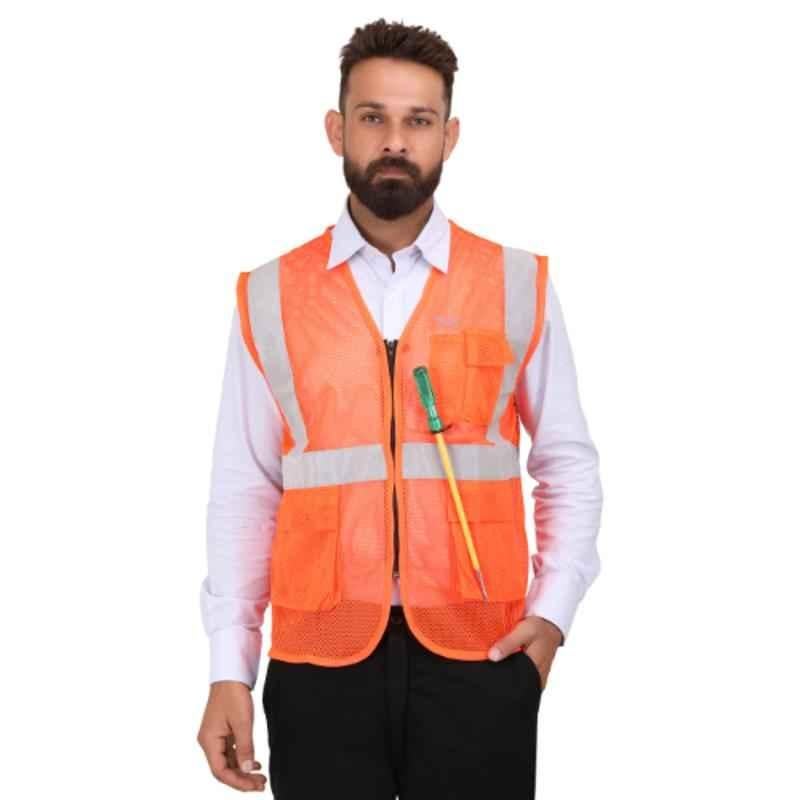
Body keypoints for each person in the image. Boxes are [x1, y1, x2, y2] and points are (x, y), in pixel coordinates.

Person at [196, 17, 602, 798]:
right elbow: (244, 489)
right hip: (318, 660)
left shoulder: (516, 284)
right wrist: (228, 668)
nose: (394, 141)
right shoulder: (272, 295)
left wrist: (552, 617)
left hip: (482, 654)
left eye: (418, 121)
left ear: (449, 136)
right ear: (335, 129)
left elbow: (567, 464)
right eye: (372, 117)